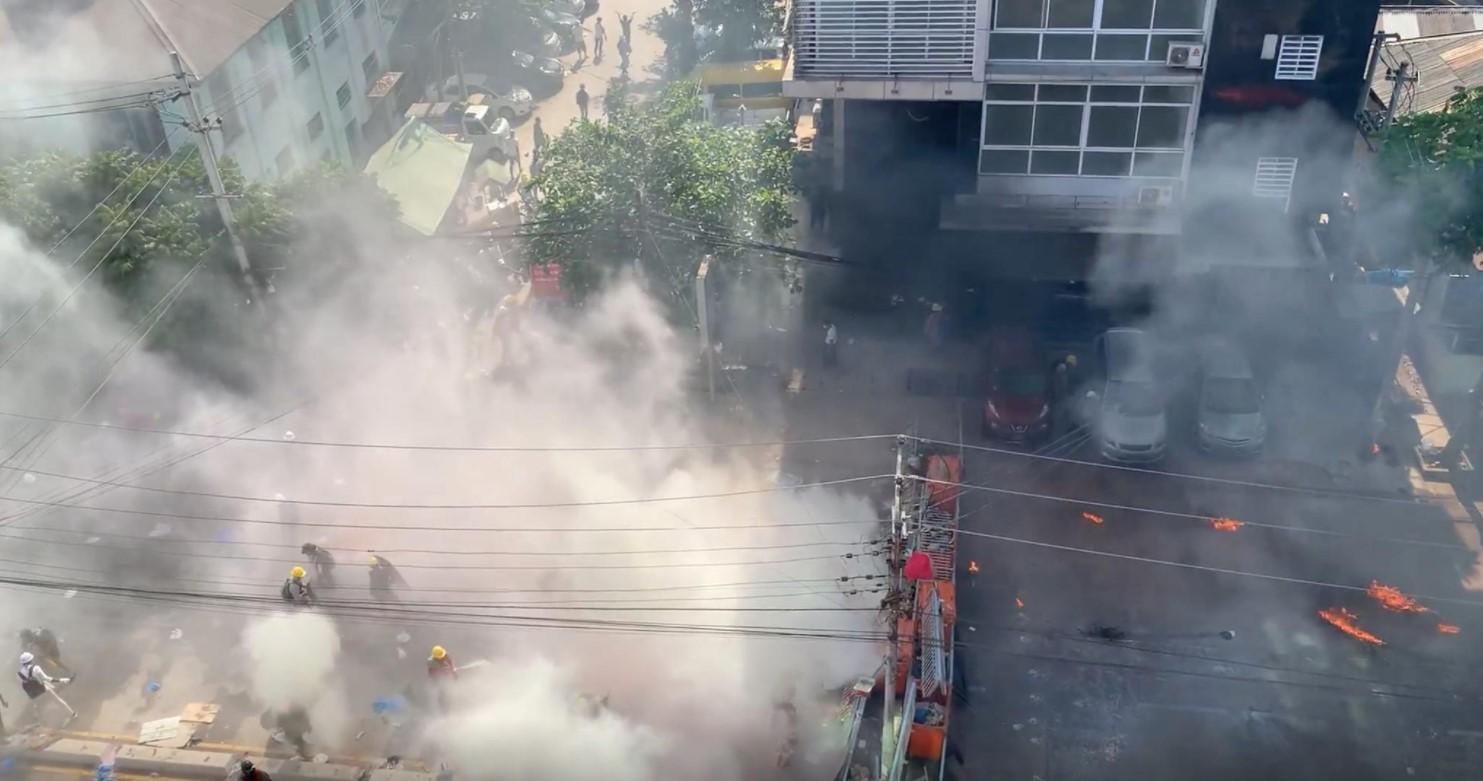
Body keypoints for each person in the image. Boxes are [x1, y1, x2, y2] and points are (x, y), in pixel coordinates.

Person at [427, 645, 457, 712]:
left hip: (446, 676)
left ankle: (449, 704)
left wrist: (453, 671)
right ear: (435, 657)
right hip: (437, 678)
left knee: (448, 692)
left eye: (442, 657)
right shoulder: (431, 661)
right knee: (441, 693)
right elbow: (432, 673)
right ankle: (442, 708)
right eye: (439, 658)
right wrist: (443, 671)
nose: (442, 658)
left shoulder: (444, 654)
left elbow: (450, 662)